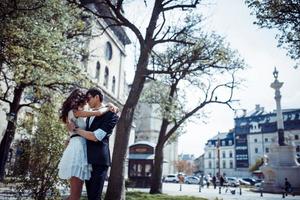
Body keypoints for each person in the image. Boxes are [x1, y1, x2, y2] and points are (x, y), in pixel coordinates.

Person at [58, 88, 117, 200]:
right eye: (85, 99)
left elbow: (96, 136)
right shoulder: (77, 112)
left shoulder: (109, 115)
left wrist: (109, 105)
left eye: (88, 98)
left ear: (97, 97)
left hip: (95, 159)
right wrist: (108, 106)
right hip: (79, 153)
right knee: (75, 195)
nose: (86, 101)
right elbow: (98, 112)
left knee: (86, 196)